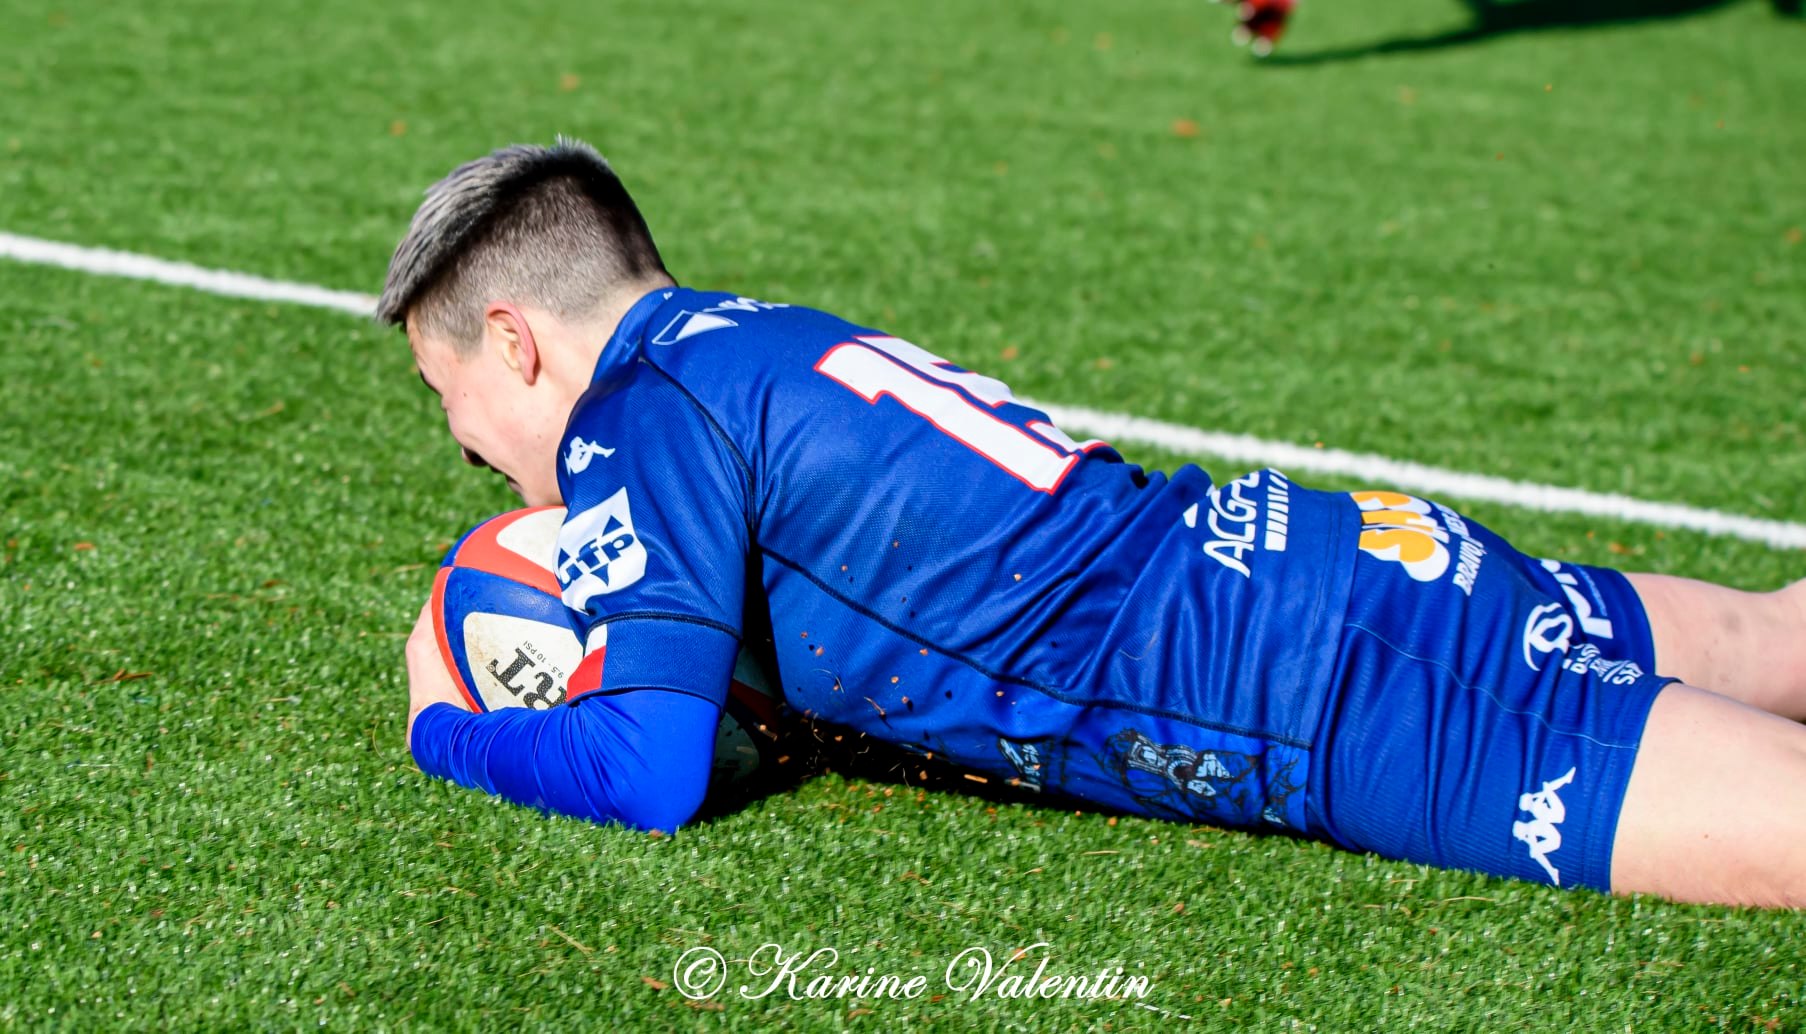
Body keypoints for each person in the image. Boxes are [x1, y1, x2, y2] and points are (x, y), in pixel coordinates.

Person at [384, 140, 1806, 907]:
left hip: (1326, 696)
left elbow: (646, 768)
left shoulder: (637, 417)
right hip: (1338, 557)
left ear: (514, 339)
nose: (474, 456)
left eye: (454, 407)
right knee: (1775, 634)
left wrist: (443, 723)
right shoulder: (739, 339)